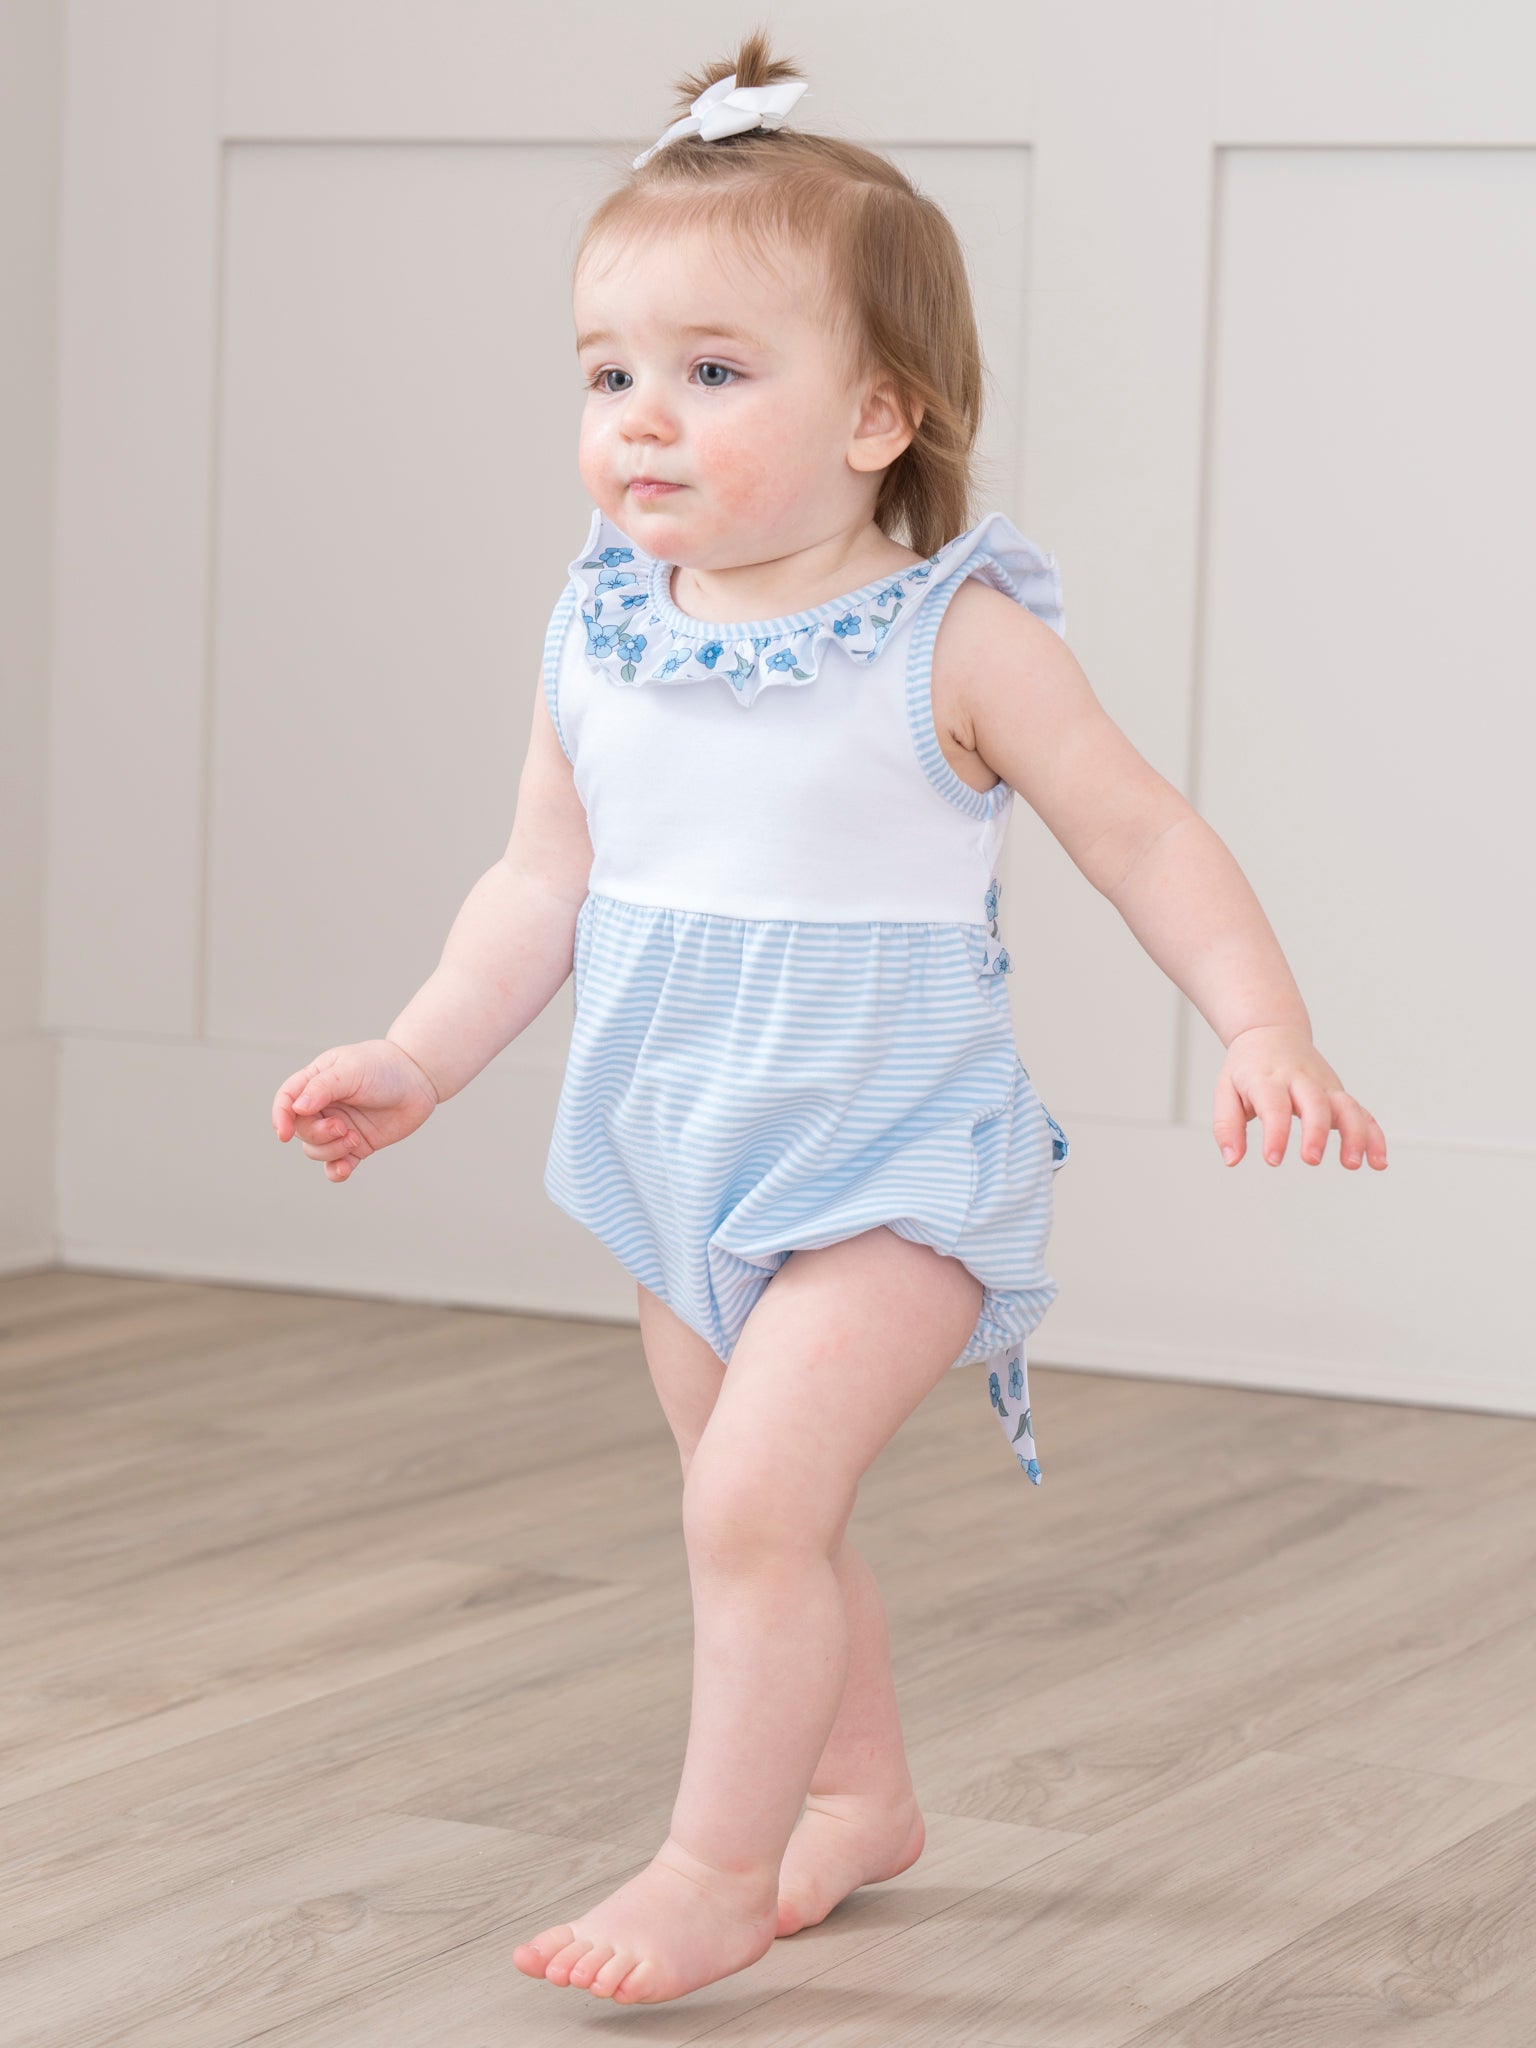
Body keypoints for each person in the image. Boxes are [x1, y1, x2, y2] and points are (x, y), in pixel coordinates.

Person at [270, 29, 1388, 2009]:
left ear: (880, 412)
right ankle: (859, 1796)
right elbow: (538, 880)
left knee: (754, 1507)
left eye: (713, 372)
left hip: (890, 1165)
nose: (642, 418)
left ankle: (713, 1867)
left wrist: (1261, 1024)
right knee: (754, 1515)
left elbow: (1141, 832)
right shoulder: (600, 629)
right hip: (674, 1152)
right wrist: (422, 1053)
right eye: (608, 373)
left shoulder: (956, 636)